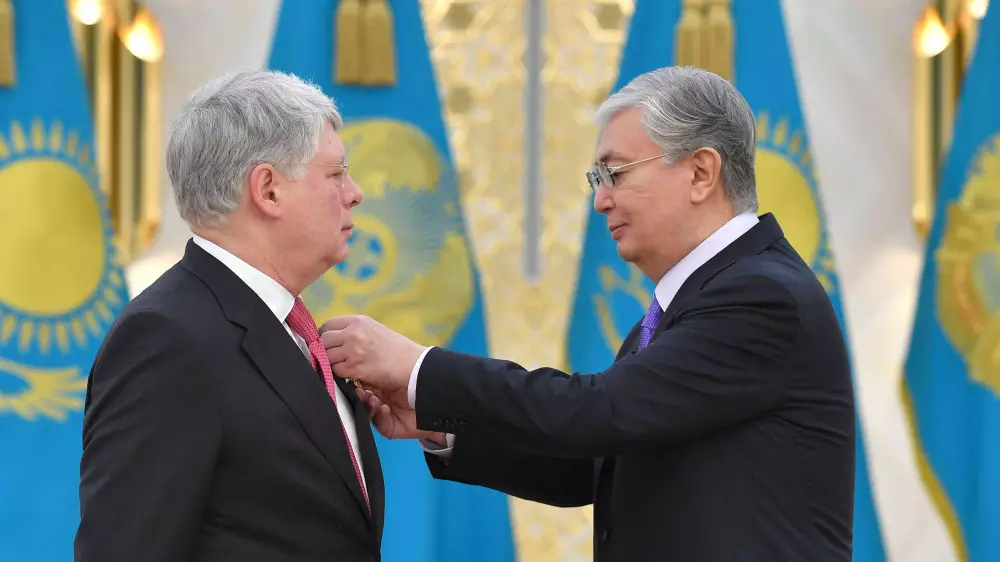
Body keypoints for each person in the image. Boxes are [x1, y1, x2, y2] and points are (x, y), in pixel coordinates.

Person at [321, 66, 856, 561]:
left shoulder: (761, 297)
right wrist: (439, 426)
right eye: (597, 180)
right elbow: (594, 465)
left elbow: (599, 413)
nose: (600, 201)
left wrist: (418, 368)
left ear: (700, 173)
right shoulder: (686, 306)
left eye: (615, 174)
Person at [75, 70, 381, 561]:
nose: (355, 193)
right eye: (336, 173)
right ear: (268, 189)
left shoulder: (291, 330)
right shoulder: (166, 339)